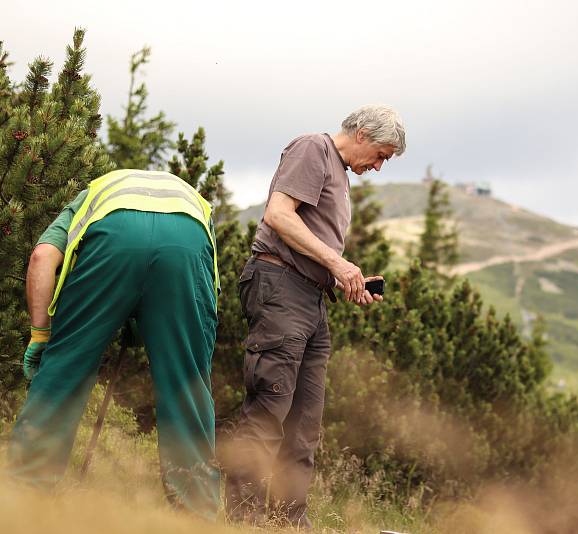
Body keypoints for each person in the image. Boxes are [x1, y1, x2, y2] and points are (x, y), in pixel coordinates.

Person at [223, 104, 406, 527]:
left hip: (312, 298)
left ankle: (290, 520)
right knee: (270, 406)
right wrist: (338, 264)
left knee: (304, 424)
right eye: (380, 154)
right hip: (279, 286)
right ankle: (243, 520)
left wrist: (344, 278)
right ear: (361, 133)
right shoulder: (313, 148)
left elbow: (314, 241)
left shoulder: (340, 174)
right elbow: (278, 215)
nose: (378, 166)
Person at [9, 169, 221, 520]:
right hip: (186, 241)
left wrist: (41, 337)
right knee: (187, 387)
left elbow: (42, 258)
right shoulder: (196, 202)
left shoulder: (94, 193)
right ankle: (196, 516)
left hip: (113, 236)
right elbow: (207, 299)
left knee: (63, 371)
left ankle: (22, 497)